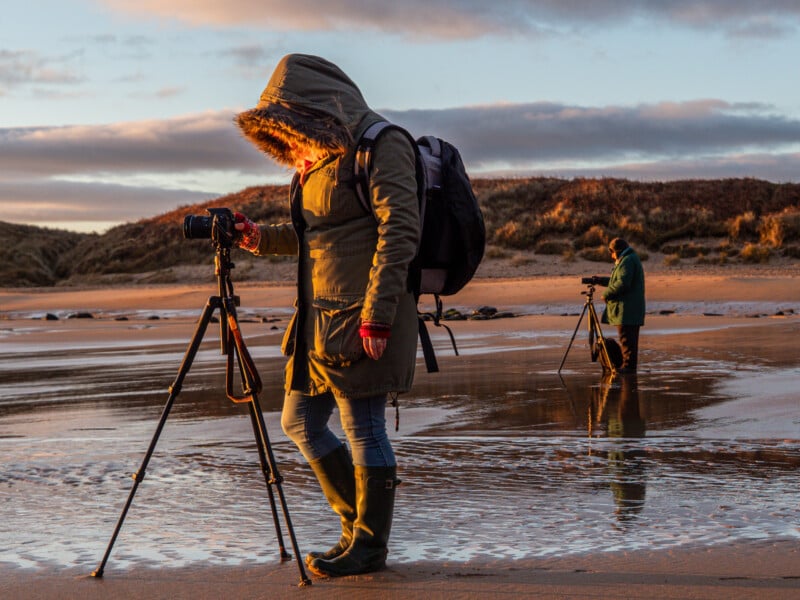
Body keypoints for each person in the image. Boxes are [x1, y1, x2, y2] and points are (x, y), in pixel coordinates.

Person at [231, 54, 420, 577]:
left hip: (363, 318)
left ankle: (369, 547)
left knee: (363, 426)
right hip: (317, 325)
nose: (288, 143)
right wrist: (256, 237)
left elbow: (400, 229)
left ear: (312, 111)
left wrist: (377, 317)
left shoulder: (383, 145)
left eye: (289, 129)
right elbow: (312, 237)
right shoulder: (315, 166)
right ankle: (354, 527)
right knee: (300, 422)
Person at [601, 238, 645, 373]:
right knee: (628, 341)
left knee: (627, 341)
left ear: (614, 251)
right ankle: (627, 367)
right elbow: (618, 280)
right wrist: (599, 280)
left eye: (611, 253)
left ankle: (628, 368)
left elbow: (623, 284)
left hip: (627, 310)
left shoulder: (627, 261)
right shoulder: (629, 259)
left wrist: (606, 294)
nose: (611, 256)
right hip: (630, 309)